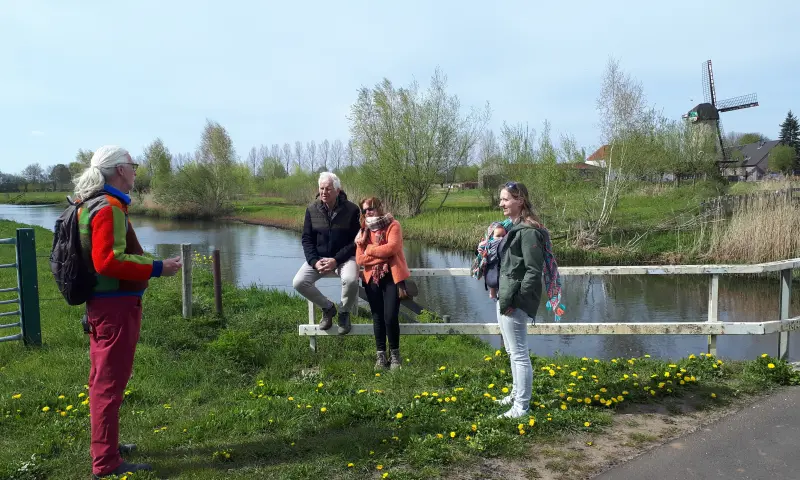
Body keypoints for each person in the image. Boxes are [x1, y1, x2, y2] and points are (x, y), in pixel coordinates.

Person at [72, 145, 183, 478]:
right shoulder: (108, 208)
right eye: (133, 165)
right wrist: (157, 267)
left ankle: (107, 445)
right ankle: (105, 462)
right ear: (120, 169)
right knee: (108, 384)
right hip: (115, 309)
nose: (136, 171)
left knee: (102, 381)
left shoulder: (90, 204)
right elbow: (108, 261)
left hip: (103, 306)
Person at [493, 181, 562, 419]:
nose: (501, 203)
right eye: (501, 199)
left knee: (519, 353)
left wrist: (518, 299)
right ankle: (515, 394)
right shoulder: (511, 228)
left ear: (519, 200)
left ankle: (521, 406)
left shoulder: (529, 231)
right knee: (512, 351)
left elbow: (534, 270)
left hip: (515, 300)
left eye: (505, 199)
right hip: (506, 295)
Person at [293, 172, 361, 334]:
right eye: (321, 188)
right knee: (299, 282)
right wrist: (314, 261)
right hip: (319, 258)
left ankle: (344, 313)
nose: (324, 192)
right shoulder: (312, 210)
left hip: (344, 258)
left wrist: (336, 260)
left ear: (337, 190)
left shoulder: (351, 210)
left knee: (351, 280)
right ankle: (328, 308)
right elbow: (307, 239)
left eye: (328, 189)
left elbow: (356, 242)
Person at [355, 197, 410, 370]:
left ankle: (395, 356)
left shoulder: (393, 225)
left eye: (370, 208)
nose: (368, 212)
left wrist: (370, 249)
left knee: (390, 317)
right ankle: (380, 356)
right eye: (365, 210)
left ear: (379, 207)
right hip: (372, 279)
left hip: (392, 277)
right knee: (377, 317)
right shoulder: (363, 231)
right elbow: (359, 259)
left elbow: (392, 248)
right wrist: (380, 255)